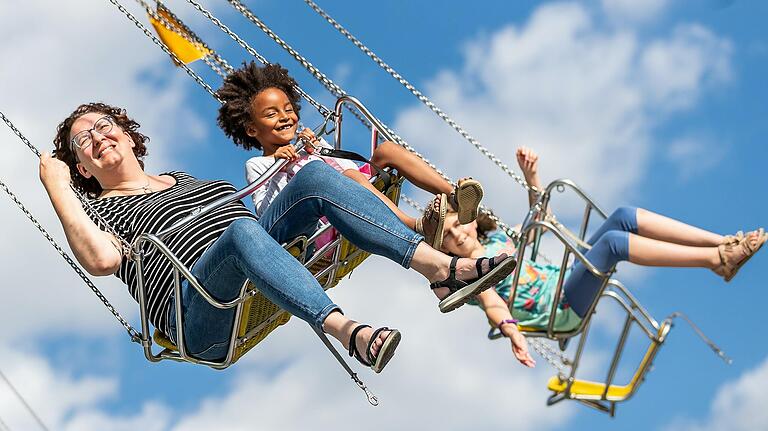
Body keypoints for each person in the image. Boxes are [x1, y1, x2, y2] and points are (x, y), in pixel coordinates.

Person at [39, 102, 518, 372]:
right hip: (199, 316)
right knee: (238, 233)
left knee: (309, 176)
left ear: (126, 131)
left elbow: (261, 216)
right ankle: (350, 333)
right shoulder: (99, 211)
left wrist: (295, 165)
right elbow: (101, 260)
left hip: (251, 260)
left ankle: (438, 269)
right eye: (85, 140)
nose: (98, 136)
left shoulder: (185, 179)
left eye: (104, 126)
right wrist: (57, 185)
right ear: (82, 166)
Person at [439, 146, 767, 365]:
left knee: (622, 215)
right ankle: (716, 261)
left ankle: (723, 244)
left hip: (568, 278)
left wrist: (532, 178)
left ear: (469, 220)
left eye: (456, 225)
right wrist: (511, 331)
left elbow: (538, 226)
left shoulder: (498, 238)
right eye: (448, 238)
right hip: (560, 307)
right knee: (612, 243)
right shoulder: (472, 273)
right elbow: (491, 304)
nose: (456, 235)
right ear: (446, 250)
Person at [216, 62, 484, 250]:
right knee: (350, 177)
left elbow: (345, 165)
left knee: (384, 151)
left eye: (288, 109)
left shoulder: (309, 142)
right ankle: (414, 225)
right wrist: (279, 167)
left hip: (357, 189)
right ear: (252, 129)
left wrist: (318, 150)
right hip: (325, 222)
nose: (285, 117)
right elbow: (267, 212)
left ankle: (455, 197)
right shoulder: (259, 164)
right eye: (272, 114)